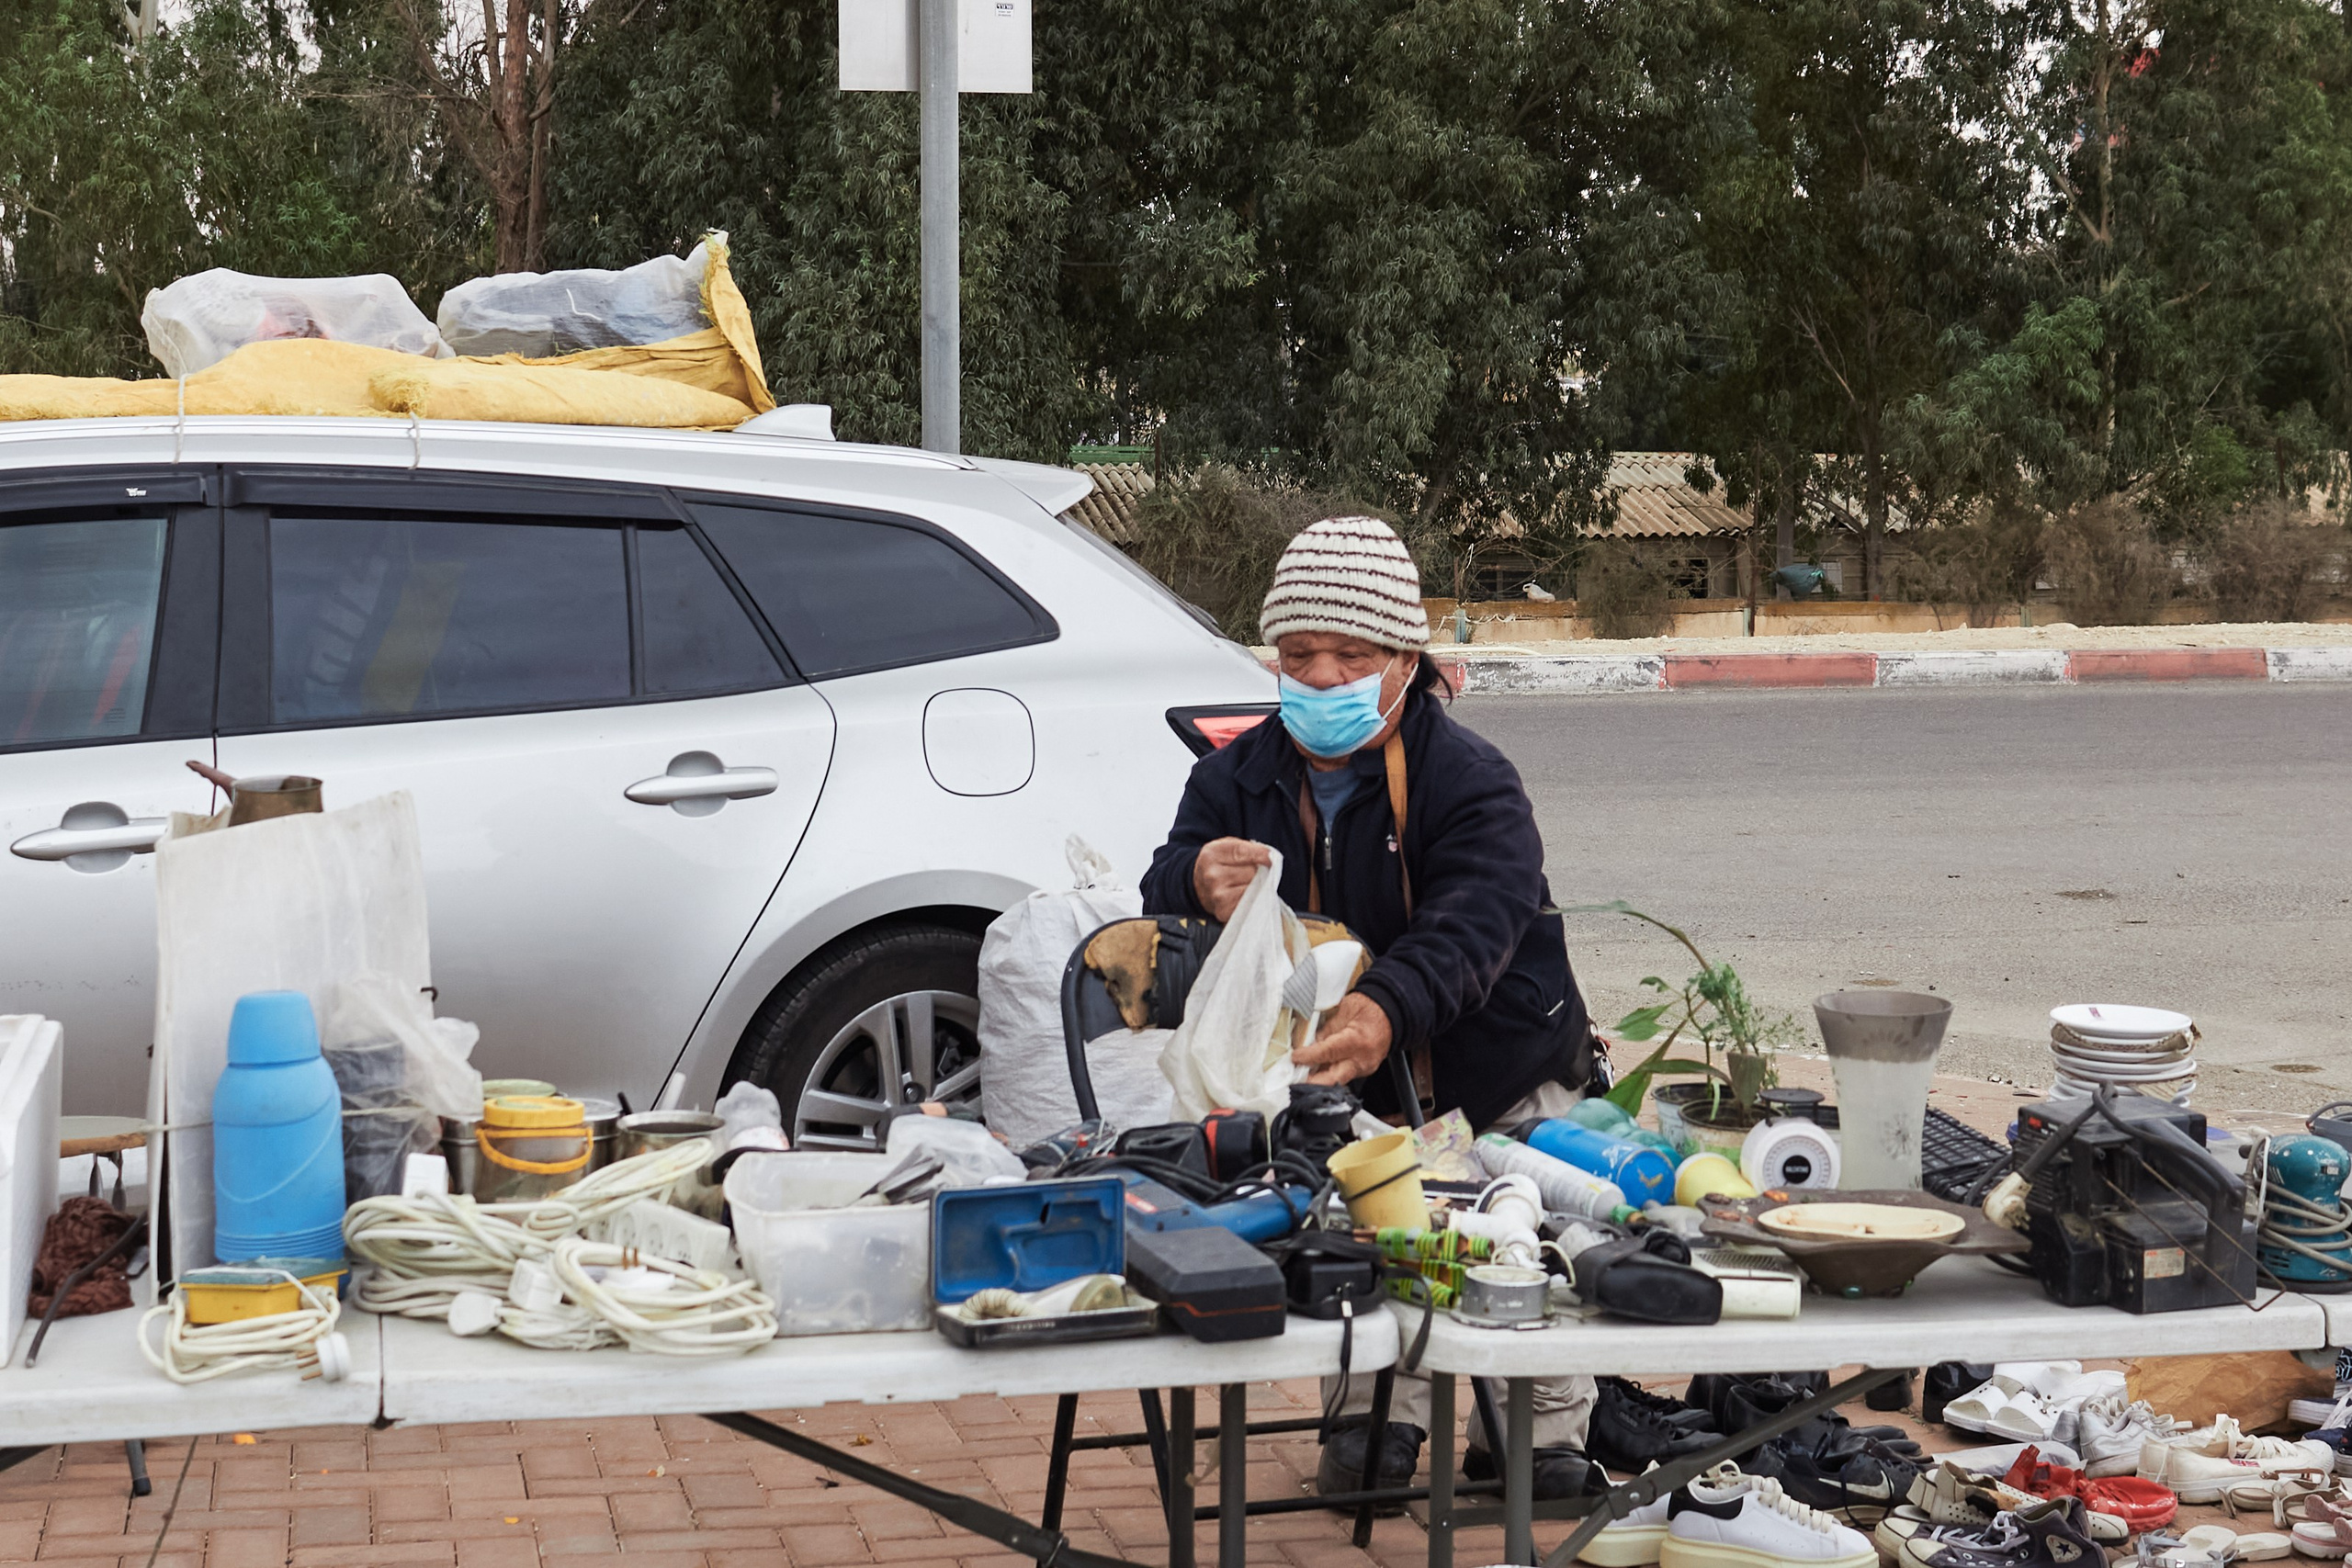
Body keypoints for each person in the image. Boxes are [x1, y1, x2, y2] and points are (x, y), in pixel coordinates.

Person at [1140, 514, 1603, 1500]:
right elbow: (1161, 890)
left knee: (1512, 1241)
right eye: (1297, 655)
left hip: (1497, 1060)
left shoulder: (1471, 779)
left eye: (1347, 655)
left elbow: (1475, 923)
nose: (1317, 679)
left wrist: (1387, 1007)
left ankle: (1538, 1431)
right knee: (1363, 1230)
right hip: (1338, 1069)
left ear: (1404, 659)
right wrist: (1193, 879)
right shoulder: (1233, 775)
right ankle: (1373, 1420)